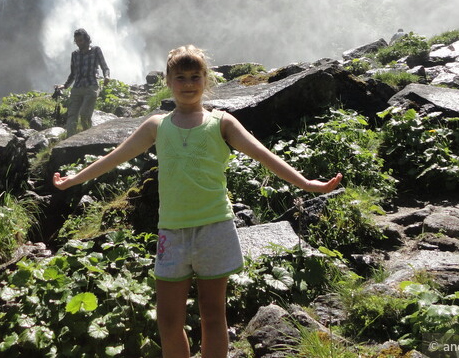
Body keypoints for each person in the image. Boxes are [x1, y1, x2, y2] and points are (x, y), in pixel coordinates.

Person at [53, 45, 343, 358]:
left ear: (206, 80)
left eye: (195, 76)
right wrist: (73, 179)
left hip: (215, 228)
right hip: (172, 232)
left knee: (213, 314)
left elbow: (262, 155)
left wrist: (304, 182)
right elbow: (114, 157)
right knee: (167, 319)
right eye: (181, 77)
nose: (188, 83)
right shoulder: (156, 126)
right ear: (168, 80)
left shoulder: (222, 123)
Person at [55, 28, 110, 137]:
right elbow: (73, 73)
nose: (79, 43)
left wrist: (107, 76)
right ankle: (69, 141)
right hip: (77, 88)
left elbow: (105, 67)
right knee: (71, 116)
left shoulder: (96, 50)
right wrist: (65, 86)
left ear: (86, 39)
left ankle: (87, 139)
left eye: (81, 40)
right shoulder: (74, 54)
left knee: (85, 114)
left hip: (91, 86)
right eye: (76, 41)